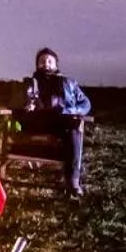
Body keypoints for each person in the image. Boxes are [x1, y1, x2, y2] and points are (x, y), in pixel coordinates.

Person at [16, 46, 91, 197]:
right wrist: (25, 106)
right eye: (42, 61)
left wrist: (70, 111)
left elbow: (86, 104)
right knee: (67, 124)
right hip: (38, 121)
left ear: (56, 64)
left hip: (62, 121)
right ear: (37, 65)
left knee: (74, 126)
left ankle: (73, 182)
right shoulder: (30, 83)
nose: (46, 64)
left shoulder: (69, 82)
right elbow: (16, 103)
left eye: (49, 61)